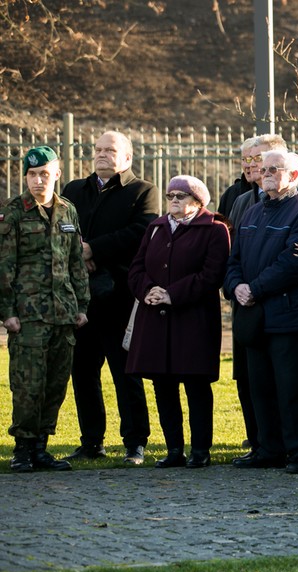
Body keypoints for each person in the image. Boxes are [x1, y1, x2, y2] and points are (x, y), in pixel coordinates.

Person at [63, 131, 157, 465]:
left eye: (111, 150)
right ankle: (91, 441)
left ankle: (135, 442)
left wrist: (95, 249)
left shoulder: (142, 191)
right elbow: (63, 226)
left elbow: (141, 231)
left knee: (125, 372)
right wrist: (81, 251)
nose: (102, 155)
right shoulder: (75, 189)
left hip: (118, 295)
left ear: (127, 157)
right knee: (83, 372)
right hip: (81, 297)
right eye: (98, 150)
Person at [224, 150, 298, 474]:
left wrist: (255, 288)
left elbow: (295, 261)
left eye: (273, 169)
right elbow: (234, 259)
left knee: (292, 386)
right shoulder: (251, 213)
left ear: (293, 175)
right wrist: (235, 286)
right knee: (259, 385)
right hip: (253, 315)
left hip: (288, 315)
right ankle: (268, 448)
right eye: (263, 169)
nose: (264, 173)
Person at [126, 176, 230, 469]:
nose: (174, 200)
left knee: (196, 385)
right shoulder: (156, 227)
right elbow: (136, 267)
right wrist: (148, 290)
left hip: (193, 320)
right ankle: (174, 449)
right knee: (163, 385)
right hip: (155, 319)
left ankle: (200, 449)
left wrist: (171, 294)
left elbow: (211, 275)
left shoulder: (214, 230)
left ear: (198, 202)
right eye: (171, 195)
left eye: (181, 196)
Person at [0, 146, 89, 472]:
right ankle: (22, 449)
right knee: (27, 385)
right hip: (28, 315)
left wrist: (82, 305)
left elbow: (76, 262)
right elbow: (3, 266)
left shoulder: (68, 211)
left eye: (45, 174)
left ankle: (41, 448)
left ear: (56, 174)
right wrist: (7, 311)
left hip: (63, 313)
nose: (39, 180)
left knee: (55, 384)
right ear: (25, 176)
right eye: (33, 174)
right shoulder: (13, 213)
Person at [220, 133, 287, 464]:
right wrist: (235, 286)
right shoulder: (239, 200)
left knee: (281, 381)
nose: (254, 167)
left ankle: (284, 444)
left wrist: (256, 287)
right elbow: (230, 252)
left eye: (258, 160)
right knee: (247, 379)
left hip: (278, 305)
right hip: (245, 304)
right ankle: (257, 442)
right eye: (247, 160)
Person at [216, 136, 256, 217]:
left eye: (251, 159)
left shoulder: (274, 193)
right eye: (244, 159)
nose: (247, 165)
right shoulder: (231, 193)